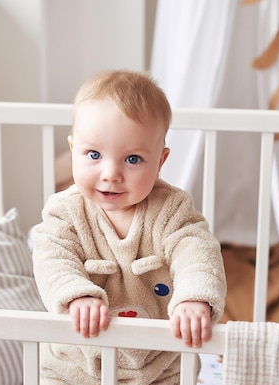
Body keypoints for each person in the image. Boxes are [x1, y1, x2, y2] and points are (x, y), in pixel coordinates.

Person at [31, 69, 226, 384]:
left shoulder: (171, 209)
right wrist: (76, 295)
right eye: (93, 155)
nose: (111, 173)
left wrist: (193, 297)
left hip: (159, 365)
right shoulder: (64, 212)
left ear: (160, 161)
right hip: (77, 363)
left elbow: (196, 250)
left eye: (133, 159)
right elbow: (52, 258)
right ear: (73, 150)